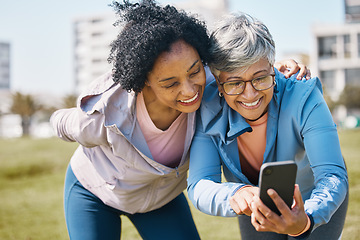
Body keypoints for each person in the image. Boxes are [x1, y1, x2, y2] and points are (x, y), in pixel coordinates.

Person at [51, 1, 309, 239]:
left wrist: (278, 70)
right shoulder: (104, 117)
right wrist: (73, 115)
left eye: (195, 71)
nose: (189, 91)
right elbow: (61, 122)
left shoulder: (210, 87)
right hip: (94, 194)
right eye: (170, 83)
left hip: (161, 200)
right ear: (144, 82)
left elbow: (243, 75)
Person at [187, 12, 348, 240]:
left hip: (314, 198)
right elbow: (199, 184)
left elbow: (331, 174)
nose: (250, 94)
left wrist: (306, 219)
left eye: (260, 78)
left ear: (272, 66)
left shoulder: (305, 96)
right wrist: (237, 193)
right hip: (254, 204)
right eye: (234, 83)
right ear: (218, 81)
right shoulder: (207, 107)